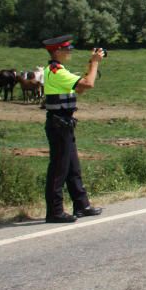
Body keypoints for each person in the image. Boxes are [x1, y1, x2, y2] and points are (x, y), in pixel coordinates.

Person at [41, 35, 104, 223]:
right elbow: (88, 84)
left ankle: (81, 205)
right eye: (67, 49)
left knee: (72, 166)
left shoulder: (58, 70)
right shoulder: (55, 71)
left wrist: (91, 65)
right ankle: (55, 211)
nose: (70, 52)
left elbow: (80, 89)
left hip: (64, 124)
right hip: (59, 124)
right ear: (57, 51)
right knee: (59, 168)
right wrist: (94, 63)